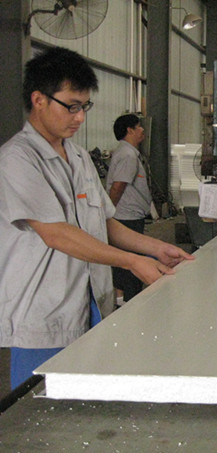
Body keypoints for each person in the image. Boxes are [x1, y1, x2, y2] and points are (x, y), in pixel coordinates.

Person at [0, 47, 194, 390]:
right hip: (43, 313)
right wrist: (132, 261)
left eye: (84, 107)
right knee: (38, 409)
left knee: (84, 401)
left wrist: (154, 248)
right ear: (39, 100)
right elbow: (56, 234)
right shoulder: (17, 160)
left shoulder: (78, 157)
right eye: (71, 106)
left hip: (90, 304)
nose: (80, 118)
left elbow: (104, 224)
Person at [106, 114, 152, 303]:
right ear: (130, 130)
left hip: (129, 216)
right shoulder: (128, 155)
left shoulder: (129, 153)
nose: (142, 130)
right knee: (131, 267)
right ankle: (130, 304)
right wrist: (108, 212)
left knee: (125, 264)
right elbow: (118, 186)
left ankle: (123, 301)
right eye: (139, 126)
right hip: (126, 219)